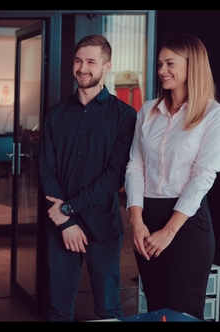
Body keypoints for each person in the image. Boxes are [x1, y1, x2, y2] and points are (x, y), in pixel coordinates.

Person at [39, 35, 137, 321]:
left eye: (91, 61)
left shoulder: (124, 116)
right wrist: (66, 221)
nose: (83, 67)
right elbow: (47, 170)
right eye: (78, 60)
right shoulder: (55, 115)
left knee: (108, 308)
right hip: (60, 229)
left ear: (107, 67)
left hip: (103, 228)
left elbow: (114, 175)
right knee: (58, 309)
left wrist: (68, 209)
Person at [125, 34, 220, 319]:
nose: (161, 70)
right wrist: (136, 221)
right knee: (156, 308)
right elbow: (135, 166)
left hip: (187, 223)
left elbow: (203, 175)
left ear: (193, 66)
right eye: (159, 64)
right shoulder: (148, 111)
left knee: (183, 312)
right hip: (147, 218)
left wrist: (169, 231)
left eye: (170, 63)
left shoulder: (212, 114)